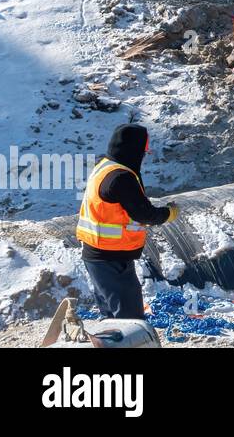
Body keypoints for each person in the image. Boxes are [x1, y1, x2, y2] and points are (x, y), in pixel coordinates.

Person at [76, 123, 178, 320]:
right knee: (129, 318)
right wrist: (169, 213)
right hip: (110, 257)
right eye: (143, 150)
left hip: (98, 253)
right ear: (135, 149)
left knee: (113, 315)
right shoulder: (121, 177)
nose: (144, 154)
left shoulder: (104, 165)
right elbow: (144, 214)